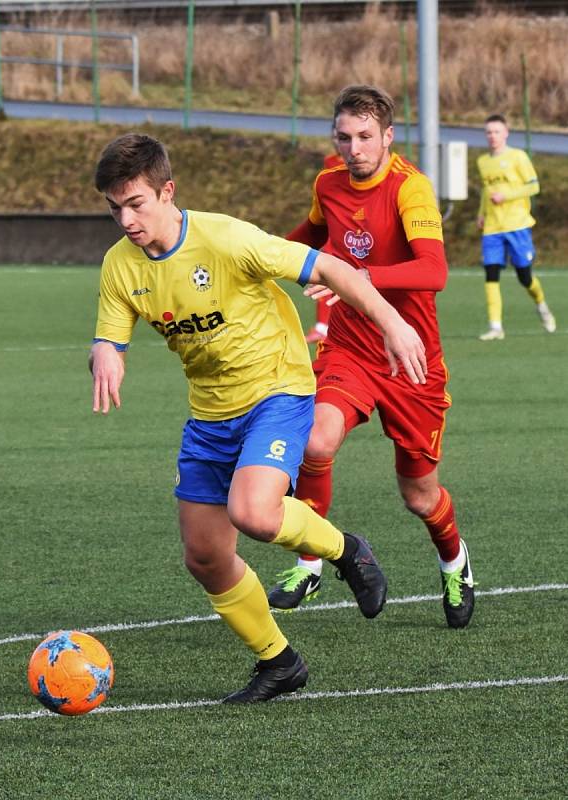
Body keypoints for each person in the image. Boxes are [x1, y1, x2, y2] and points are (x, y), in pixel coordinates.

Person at [89, 132, 428, 703]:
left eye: (136, 203)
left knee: (253, 512)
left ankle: (346, 550)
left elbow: (333, 269)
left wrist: (393, 323)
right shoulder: (120, 267)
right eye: (114, 207)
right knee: (205, 556)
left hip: (278, 391)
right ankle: (279, 662)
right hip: (209, 414)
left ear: (167, 192)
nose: (125, 219)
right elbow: (110, 334)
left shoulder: (227, 238)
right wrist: (104, 353)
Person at [267, 85, 475, 629]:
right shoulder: (328, 184)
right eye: (343, 137)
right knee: (315, 439)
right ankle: (310, 560)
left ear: (387, 137)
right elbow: (308, 237)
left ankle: (454, 561)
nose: (353, 148)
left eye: (364, 137)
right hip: (352, 348)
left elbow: (434, 272)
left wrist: (359, 278)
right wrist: (257, 259)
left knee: (419, 494)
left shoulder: (411, 189)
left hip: (411, 359)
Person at [476, 114, 556, 340]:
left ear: (506, 133)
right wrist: (481, 214)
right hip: (492, 227)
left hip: (517, 225)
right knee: (491, 275)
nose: (492, 136)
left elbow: (534, 187)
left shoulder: (518, 157)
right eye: (489, 132)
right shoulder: (483, 161)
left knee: (524, 277)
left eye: (496, 131)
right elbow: (486, 191)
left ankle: (541, 305)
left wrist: (507, 195)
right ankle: (495, 327)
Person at [305, 125, 343, 345]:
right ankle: (323, 326)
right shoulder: (330, 163)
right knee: (323, 275)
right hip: (332, 231)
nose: (338, 141)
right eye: (337, 136)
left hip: (354, 231)